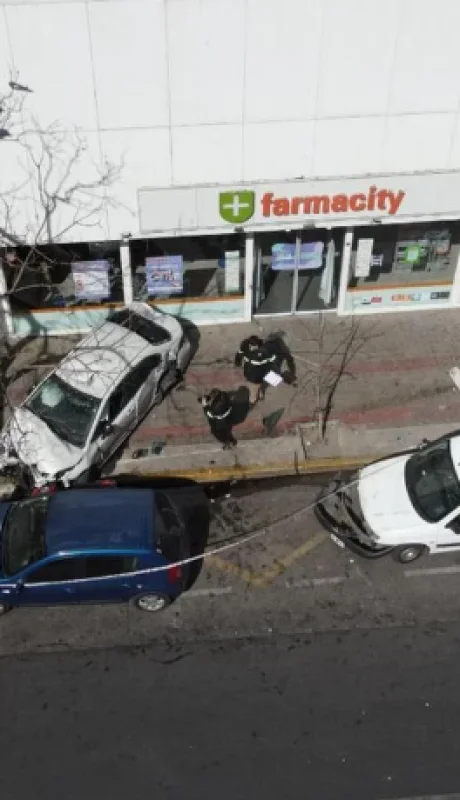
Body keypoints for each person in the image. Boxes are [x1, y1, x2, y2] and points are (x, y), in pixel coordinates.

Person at [234, 335, 278, 404]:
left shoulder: (246, 346)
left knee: (254, 387)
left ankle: (253, 398)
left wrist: (237, 363)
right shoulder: (264, 350)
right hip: (259, 372)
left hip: (254, 373)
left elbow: (239, 354)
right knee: (259, 384)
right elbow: (272, 360)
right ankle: (260, 393)